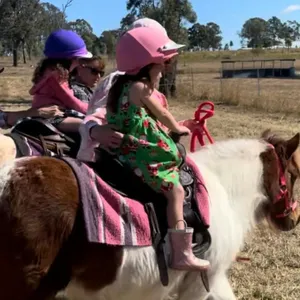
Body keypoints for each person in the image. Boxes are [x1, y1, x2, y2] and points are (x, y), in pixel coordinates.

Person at [110, 27, 210, 271]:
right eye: (161, 62)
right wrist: (178, 127)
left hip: (125, 148)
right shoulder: (140, 88)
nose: (164, 68)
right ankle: (181, 252)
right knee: (175, 190)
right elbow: (162, 113)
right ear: (146, 64)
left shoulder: (121, 86)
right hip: (139, 152)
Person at [77, 18, 185, 162]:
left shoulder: (147, 86)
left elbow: (153, 126)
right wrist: (94, 130)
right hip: (129, 156)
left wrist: (181, 126)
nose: (164, 68)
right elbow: (96, 117)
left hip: (148, 148)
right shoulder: (119, 84)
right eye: (165, 61)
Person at [29, 29, 94, 134]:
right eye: (79, 59)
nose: (80, 64)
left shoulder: (49, 71)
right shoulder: (57, 76)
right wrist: (94, 110)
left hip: (48, 114)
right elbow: (72, 102)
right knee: (92, 128)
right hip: (52, 118)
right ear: (69, 59)